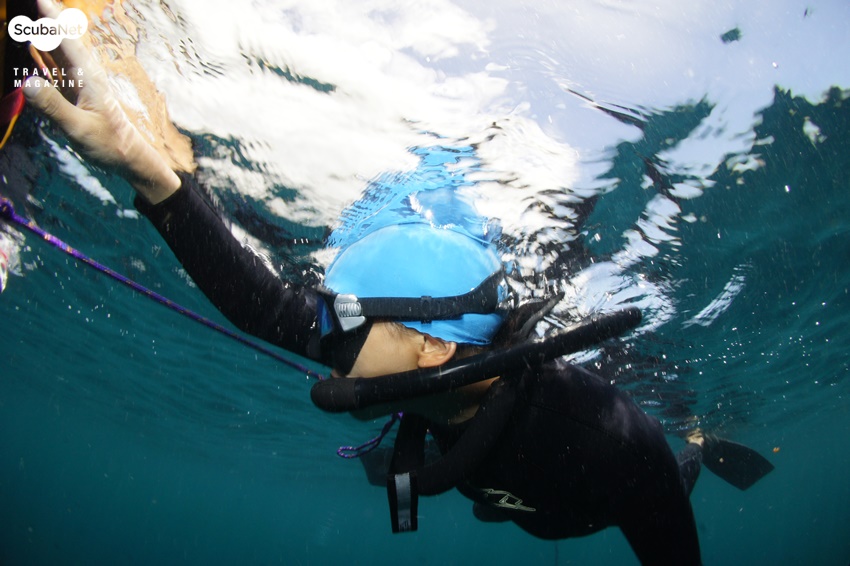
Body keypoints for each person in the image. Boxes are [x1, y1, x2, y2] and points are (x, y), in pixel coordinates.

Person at [18, 2, 773, 563]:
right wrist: (145, 168)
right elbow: (259, 304)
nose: (317, 328)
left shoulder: (611, 438)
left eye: (342, 316)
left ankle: (698, 444)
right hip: (505, 492)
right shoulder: (396, 350)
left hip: (597, 502)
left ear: (431, 348)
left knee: (671, 470)